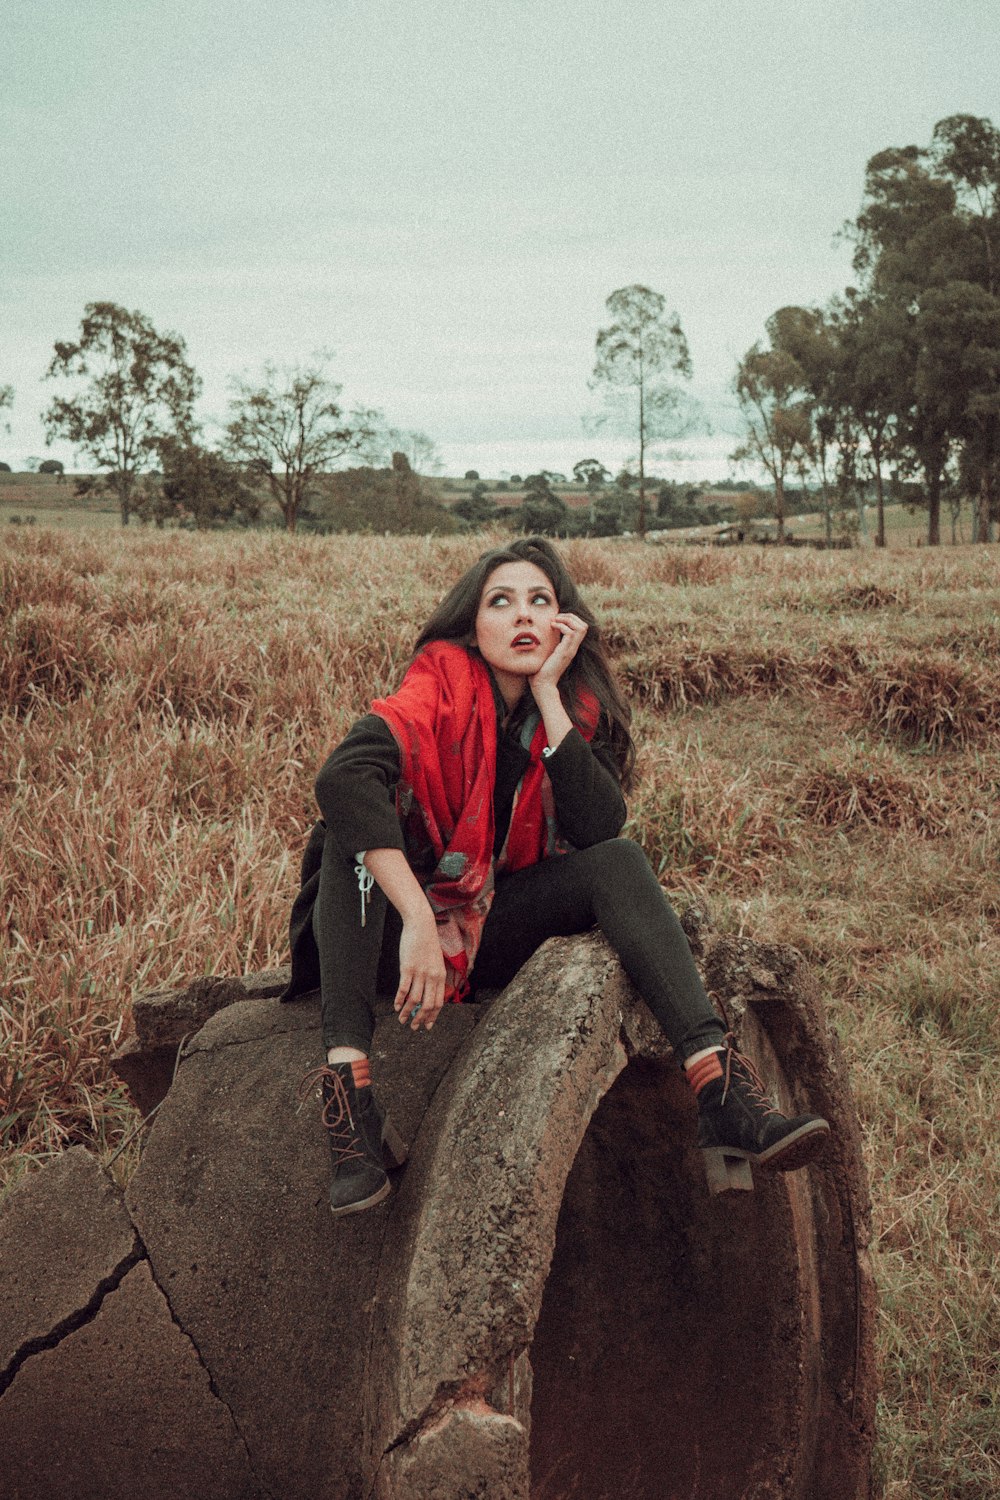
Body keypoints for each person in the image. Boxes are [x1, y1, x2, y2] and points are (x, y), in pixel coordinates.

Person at [282, 537, 830, 1214]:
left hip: (483, 926)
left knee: (620, 864)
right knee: (347, 835)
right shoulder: (436, 686)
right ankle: (350, 1102)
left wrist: (547, 695)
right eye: (500, 602)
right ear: (472, 626)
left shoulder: (568, 709)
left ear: (563, 625)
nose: (522, 617)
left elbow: (601, 825)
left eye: (540, 601)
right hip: (379, 934)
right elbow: (342, 778)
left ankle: (719, 1089)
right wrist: (418, 919)